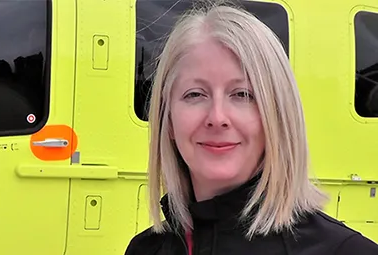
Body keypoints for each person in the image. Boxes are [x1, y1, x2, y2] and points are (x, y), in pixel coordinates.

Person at [124, 2, 378, 255]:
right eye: (195, 94)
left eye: (243, 94)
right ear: (167, 120)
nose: (217, 117)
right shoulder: (144, 249)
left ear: (278, 116)